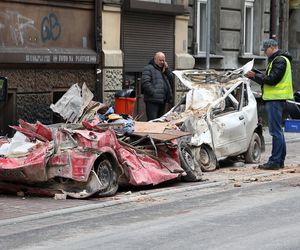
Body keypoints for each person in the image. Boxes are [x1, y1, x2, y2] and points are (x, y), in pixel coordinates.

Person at [245, 39, 294, 170]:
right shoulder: (279, 60)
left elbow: (272, 80)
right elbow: (271, 77)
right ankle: (279, 160)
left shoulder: (279, 60)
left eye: (265, 50)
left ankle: (275, 161)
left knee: (275, 132)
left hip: (275, 100)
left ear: (272, 48)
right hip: (277, 99)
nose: (265, 53)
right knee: (278, 131)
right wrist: (256, 75)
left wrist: (255, 76)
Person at [141, 51, 173, 120]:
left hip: (162, 100)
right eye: (160, 60)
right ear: (155, 59)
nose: (162, 62)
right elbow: (145, 82)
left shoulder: (164, 70)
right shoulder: (148, 68)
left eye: (163, 60)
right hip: (152, 101)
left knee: (160, 122)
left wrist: (167, 69)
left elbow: (171, 79)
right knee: (152, 121)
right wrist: (153, 93)